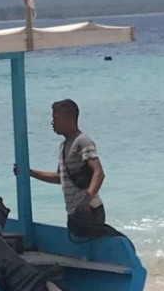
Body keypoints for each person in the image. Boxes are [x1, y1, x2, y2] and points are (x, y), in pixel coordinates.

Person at [23, 98, 118, 239]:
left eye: (56, 118)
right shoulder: (63, 146)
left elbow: (99, 173)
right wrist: (29, 173)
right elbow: (59, 177)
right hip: (75, 213)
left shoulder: (82, 141)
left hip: (89, 210)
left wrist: (86, 201)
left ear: (69, 119)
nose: (52, 123)